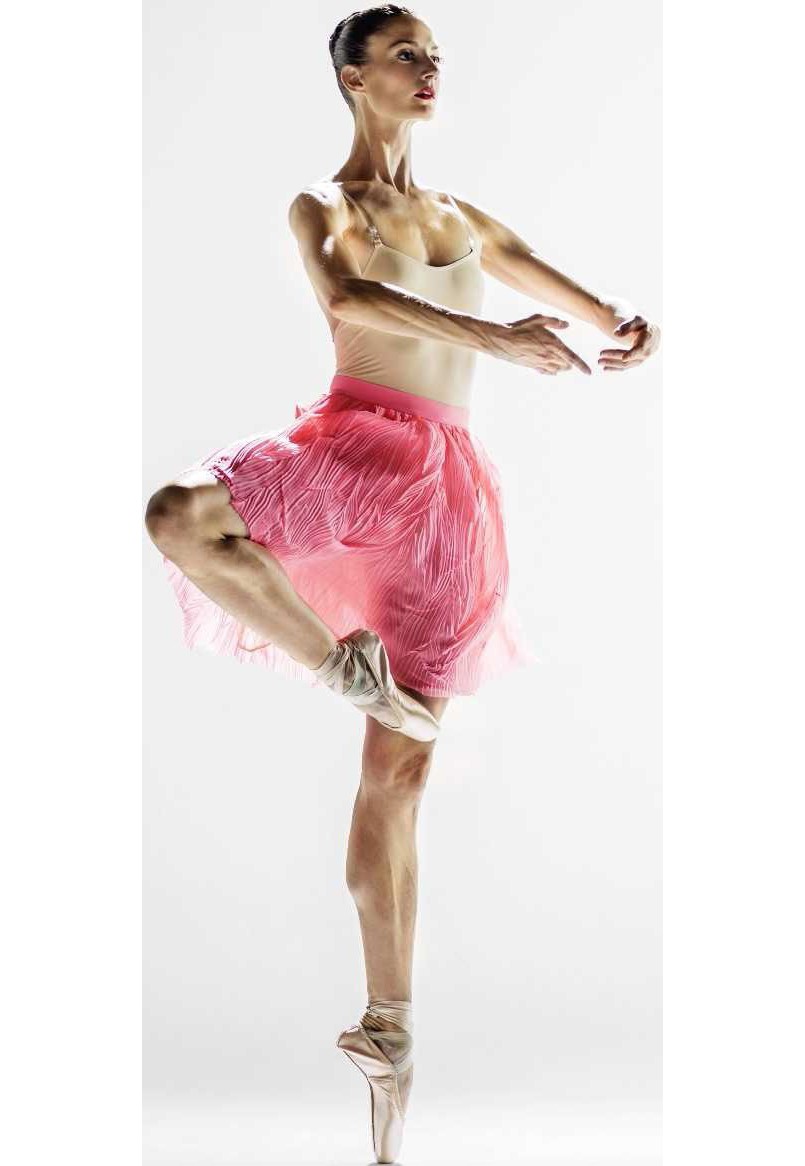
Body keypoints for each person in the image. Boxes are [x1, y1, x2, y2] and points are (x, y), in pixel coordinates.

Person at [144, 6, 661, 1161]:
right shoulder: (322, 204)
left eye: (434, 56)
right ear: (351, 76)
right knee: (181, 513)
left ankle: (388, 1029)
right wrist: (497, 340)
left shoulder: (464, 217)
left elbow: (584, 303)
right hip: (346, 448)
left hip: (441, 497)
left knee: (398, 779)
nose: (428, 70)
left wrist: (625, 324)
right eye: (403, 55)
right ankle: (344, 667)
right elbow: (348, 301)